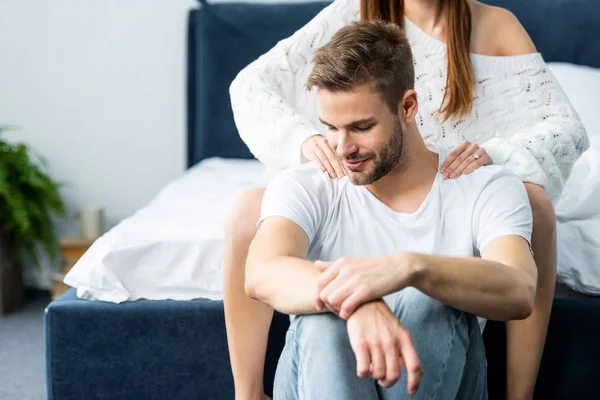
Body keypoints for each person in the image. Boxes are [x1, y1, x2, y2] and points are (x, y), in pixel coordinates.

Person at [224, 1, 589, 399]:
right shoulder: (312, 180)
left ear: (409, 106)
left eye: (361, 127)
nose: (343, 145)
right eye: (330, 127)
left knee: (430, 300)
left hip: (452, 169)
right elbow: (261, 273)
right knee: (319, 318)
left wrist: (409, 268)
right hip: (378, 180)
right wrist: (357, 301)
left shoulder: (484, 181)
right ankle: (248, 393)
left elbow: (518, 287)